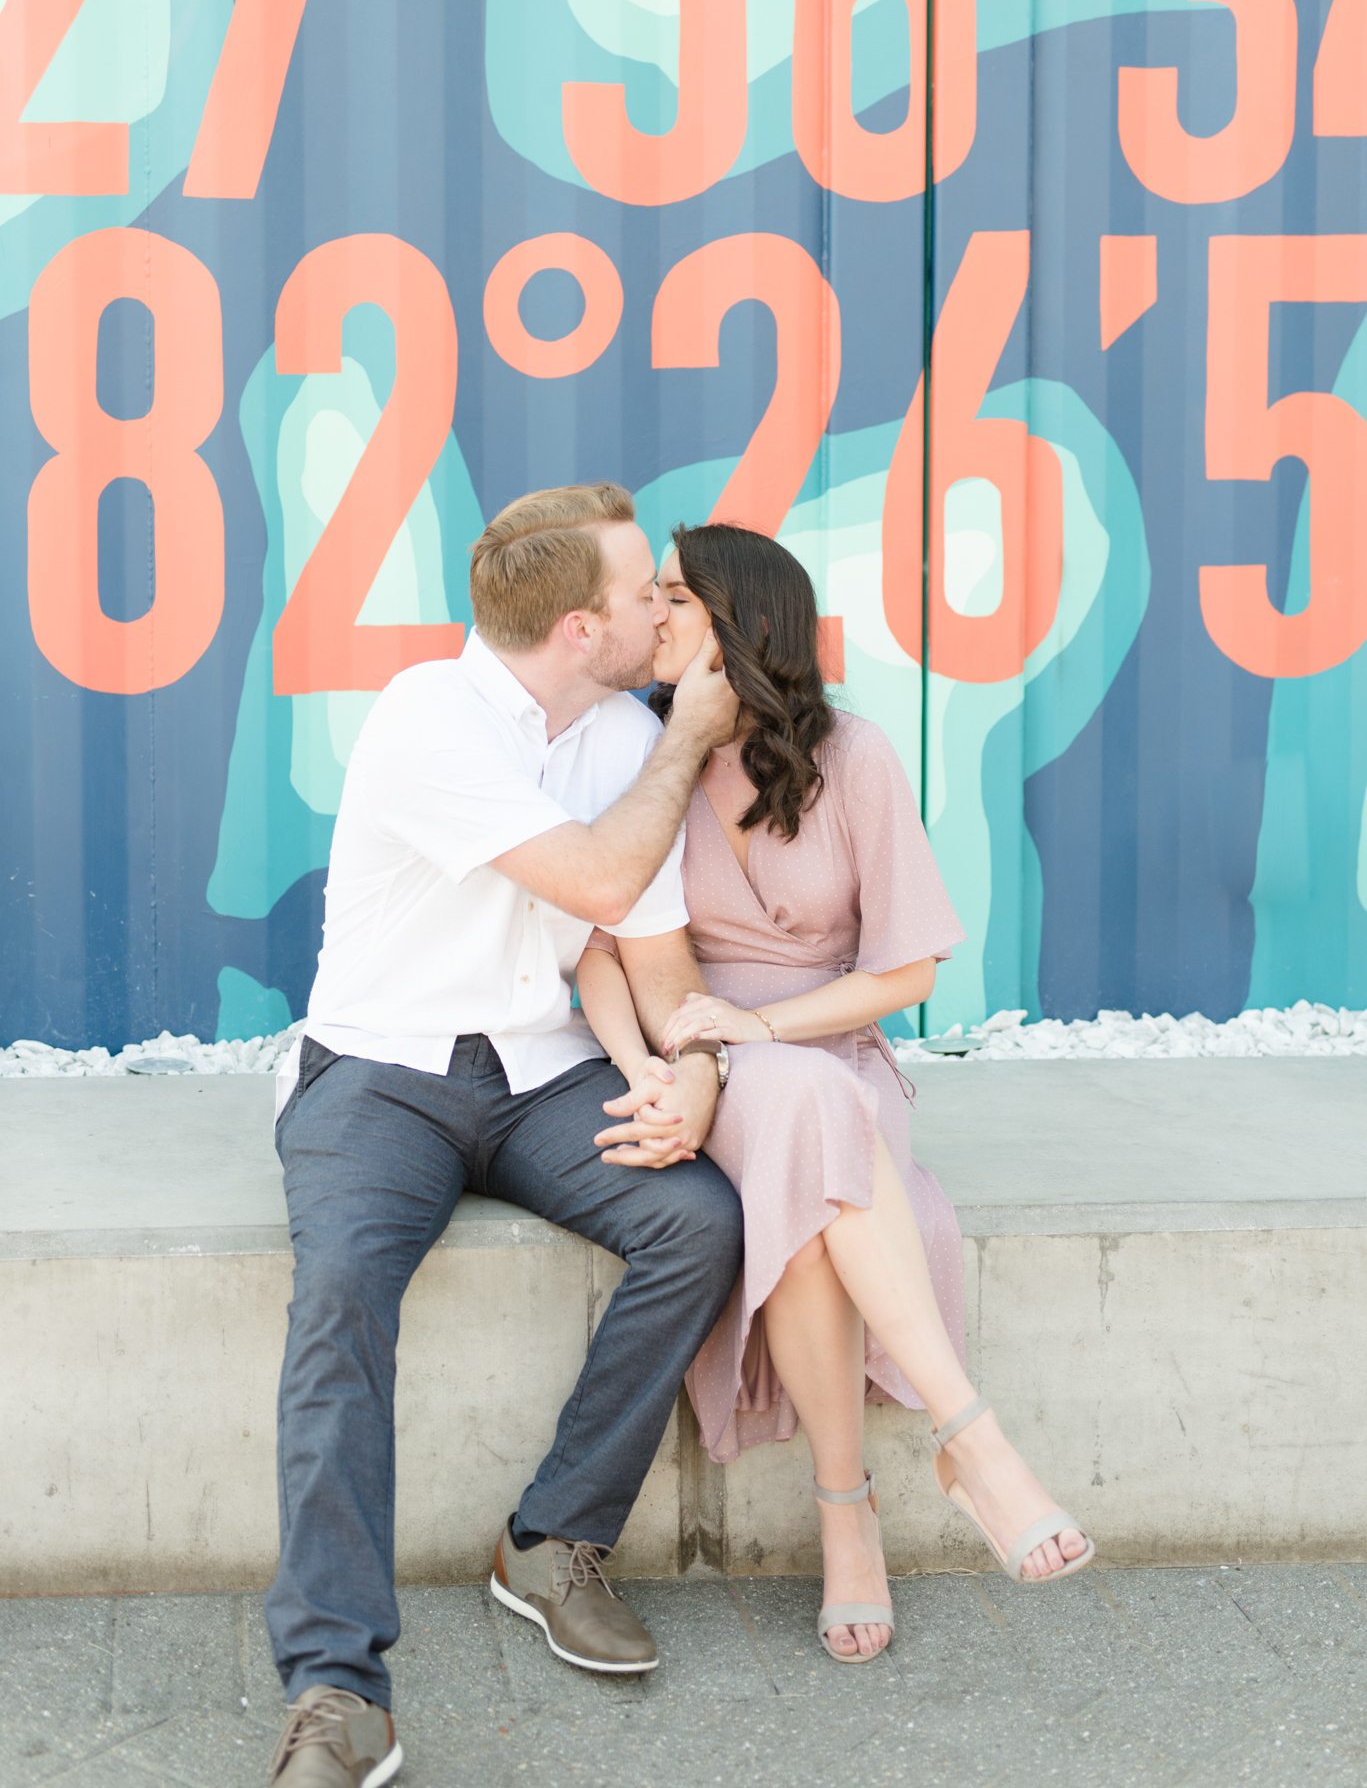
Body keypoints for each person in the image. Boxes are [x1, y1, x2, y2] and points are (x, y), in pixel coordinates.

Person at [264, 485, 745, 1788]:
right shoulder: (427, 716)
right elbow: (595, 880)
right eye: (645, 590)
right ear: (582, 627)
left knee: (696, 1219)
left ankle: (549, 1540)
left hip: (540, 1075)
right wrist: (684, 746)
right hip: (381, 1072)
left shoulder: (609, 737)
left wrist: (690, 1070)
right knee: (342, 1297)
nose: (664, 606)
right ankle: (334, 1685)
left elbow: (646, 949)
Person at [578, 523, 1093, 1671]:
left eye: (672, 598)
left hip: (825, 1051)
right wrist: (656, 1065)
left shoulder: (853, 754)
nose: (649, 615)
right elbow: (597, 946)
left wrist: (764, 1025)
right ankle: (971, 1442)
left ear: (738, 619)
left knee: (812, 1163)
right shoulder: (633, 750)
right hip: (705, 1058)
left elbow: (907, 972)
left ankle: (845, 1506)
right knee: (803, 1127)